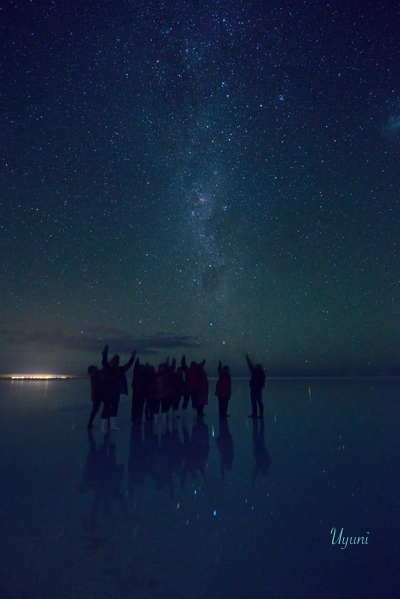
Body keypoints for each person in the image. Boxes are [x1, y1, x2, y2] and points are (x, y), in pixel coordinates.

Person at [102, 345, 137, 430]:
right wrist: (105, 353)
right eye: (114, 360)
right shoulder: (108, 368)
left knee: (114, 407)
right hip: (107, 391)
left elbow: (128, 365)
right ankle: (103, 427)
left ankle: (112, 425)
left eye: (117, 361)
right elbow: (104, 362)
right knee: (106, 408)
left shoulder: (120, 369)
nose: (116, 362)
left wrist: (132, 357)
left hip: (116, 391)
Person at [245, 353, 266, 419]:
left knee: (259, 402)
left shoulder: (261, 374)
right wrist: (247, 358)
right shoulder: (255, 372)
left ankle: (260, 414)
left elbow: (262, 382)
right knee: (254, 402)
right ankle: (255, 414)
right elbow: (250, 365)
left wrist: (259, 387)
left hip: (257, 389)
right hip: (254, 389)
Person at [87, 365, 103, 429]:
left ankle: (90, 423)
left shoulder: (97, 375)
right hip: (97, 395)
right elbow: (94, 388)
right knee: (95, 409)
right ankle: (90, 423)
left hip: (99, 395)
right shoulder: (94, 377)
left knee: (96, 409)